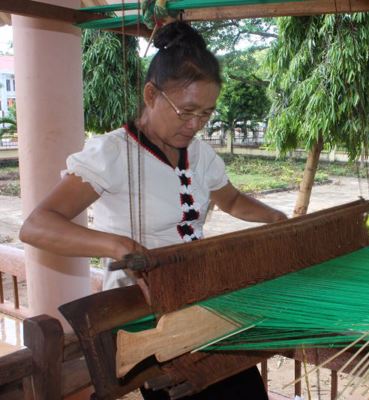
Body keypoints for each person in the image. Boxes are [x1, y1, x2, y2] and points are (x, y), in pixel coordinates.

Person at [19, 21, 285, 399]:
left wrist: (275, 219)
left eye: (206, 114)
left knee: (243, 387)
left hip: (197, 297)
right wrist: (118, 246)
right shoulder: (112, 153)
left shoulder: (199, 153)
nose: (195, 125)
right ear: (150, 94)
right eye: (186, 111)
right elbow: (36, 226)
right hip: (139, 313)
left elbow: (233, 200)